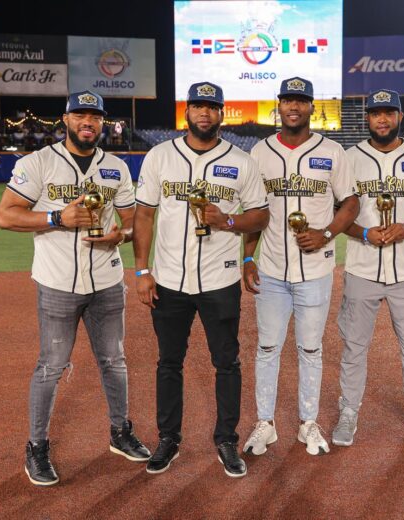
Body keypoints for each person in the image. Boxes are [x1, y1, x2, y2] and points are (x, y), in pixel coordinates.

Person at [0, 90, 150, 487]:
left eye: (94, 116)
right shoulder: (37, 162)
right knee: (51, 367)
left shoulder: (115, 167)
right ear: (65, 120)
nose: (88, 122)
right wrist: (56, 217)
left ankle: (120, 432)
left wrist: (121, 235)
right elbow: (6, 216)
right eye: (80, 115)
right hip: (58, 283)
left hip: (107, 282)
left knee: (114, 361)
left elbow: (132, 223)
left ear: (102, 122)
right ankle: (37, 446)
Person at [133, 81, 270, 478]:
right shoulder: (160, 156)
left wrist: (227, 220)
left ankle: (226, 439)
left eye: (211, 107)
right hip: (169, 279)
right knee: (168, 362)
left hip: (219, 279)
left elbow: (260, 215)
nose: (204, 113)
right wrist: (141, 270)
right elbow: (144, 215)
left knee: (226, 362)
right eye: (198, 106)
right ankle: (168, 438)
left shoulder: (241, 161)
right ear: (187, 111)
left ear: (221, 113)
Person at [242, 77, 360, 457]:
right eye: (288, 100)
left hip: (315, 270)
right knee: (267, 347)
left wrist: (326, 234)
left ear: (311, 106)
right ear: (279, 105)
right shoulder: (260, 152)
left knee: (310, 349)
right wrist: (248, 257)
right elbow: (255, 211)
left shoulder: (332, 151)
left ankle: (308, 422)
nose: (294, 106)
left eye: (301, 100)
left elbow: (351, 203)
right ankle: (265, 423)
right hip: (272, 269)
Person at [332, 88, 404, 447]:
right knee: (354, 347)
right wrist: (364, 233)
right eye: (375, 113)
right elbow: (337, 214)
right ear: (367, 118)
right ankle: (348, 412)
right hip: (362, 267)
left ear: (400, 117)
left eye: (388, 113)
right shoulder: (349, 158)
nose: (382, 119)